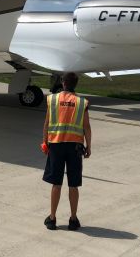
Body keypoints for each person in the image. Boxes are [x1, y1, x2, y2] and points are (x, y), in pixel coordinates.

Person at [41, 72, 91, 231]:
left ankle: (52, 218)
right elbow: (86, 127)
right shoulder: (81, 102)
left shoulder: (53, 99)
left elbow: (47, 124)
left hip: (56, 145)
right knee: (73, 184)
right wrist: (89, 146)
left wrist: (45, 143)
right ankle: (73, 219)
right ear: (75, 84)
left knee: (56, 183)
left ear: (63, 83)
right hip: (75, 147)